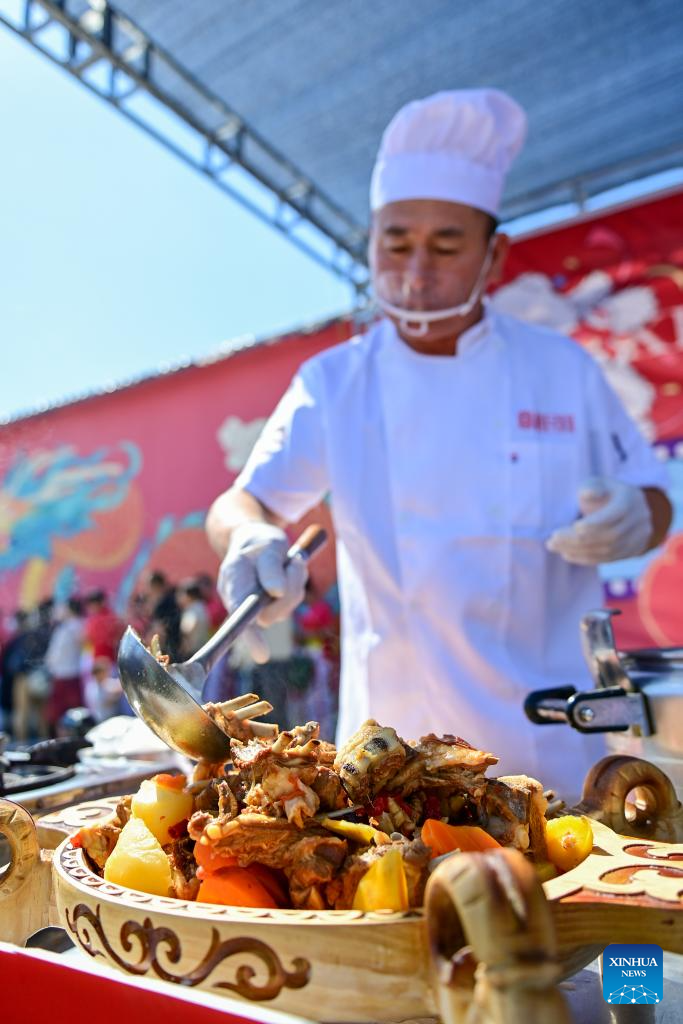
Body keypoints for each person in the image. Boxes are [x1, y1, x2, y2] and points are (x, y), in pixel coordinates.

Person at [206, 90, 671, 794]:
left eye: (446, 246)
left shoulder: (559, 368)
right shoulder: (335, 382)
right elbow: (245, 501)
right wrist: (248, 540)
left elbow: (657, 493)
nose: (416, 273)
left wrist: (637, 515)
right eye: (394, 244)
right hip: (392, 763)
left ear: (493, 254)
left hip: (556, 754)